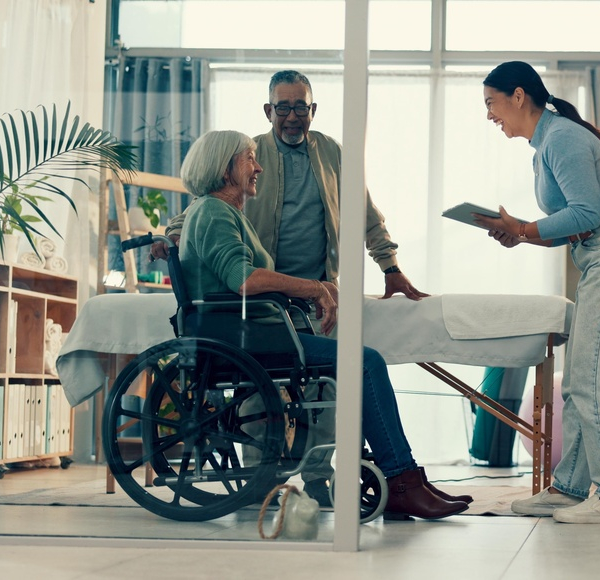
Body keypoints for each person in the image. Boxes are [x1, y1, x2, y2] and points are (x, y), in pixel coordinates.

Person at [152, 70, 447, 508]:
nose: (292, 116)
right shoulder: (239, 161)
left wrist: (390, 267)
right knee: (266, 394)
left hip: (303, 295)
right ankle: (259, 483)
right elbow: (204, 207)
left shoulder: (330, 154)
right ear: (269, 110)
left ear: (313, 110)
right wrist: (172, 235)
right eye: (283, 107)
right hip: (259, 305)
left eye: (300, 107)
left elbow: (365, 213)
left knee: (326, 390)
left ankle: (318, 477)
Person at [472, 61, 600, 525]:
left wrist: (525, 226)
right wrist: (520, 234)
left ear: (519, 96)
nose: (490, 116)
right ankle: (573, 489)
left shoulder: (562, 138)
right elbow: (575, 224)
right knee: (581, 378)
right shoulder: (546, 144)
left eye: (491, 104)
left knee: (594, 378)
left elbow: (585, 213)